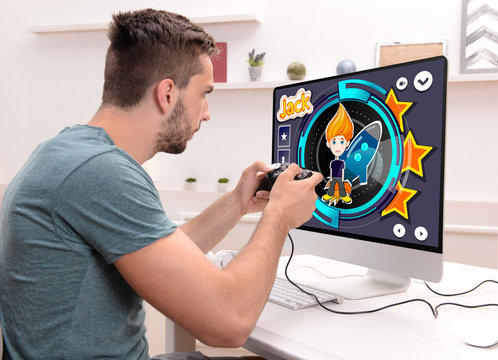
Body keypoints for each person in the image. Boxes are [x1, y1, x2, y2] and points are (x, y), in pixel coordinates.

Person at [0, 9, 322, 360]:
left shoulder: (69, 152)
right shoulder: (101, 172)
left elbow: (157, 251)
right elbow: (230, 323)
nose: (207, 112)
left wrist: (237, 202)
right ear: (167, 93)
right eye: (204, 93)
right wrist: (278, 217)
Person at [322, 103, 353, 205]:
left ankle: (343, 196)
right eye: (334, 142)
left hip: (340, 178)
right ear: (328, 144)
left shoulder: (341, 163)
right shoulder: (333, 162)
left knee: (340, 186)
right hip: (334, 178)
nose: (338, 146)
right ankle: (330, 194)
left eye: (342, 142)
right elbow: (332, 171)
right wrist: (331, 179)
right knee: (332, 186)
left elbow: (343, 172)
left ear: (347, 143)